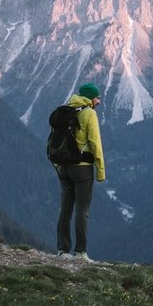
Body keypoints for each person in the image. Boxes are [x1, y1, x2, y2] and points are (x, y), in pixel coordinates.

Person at [53, 82, 105, 260]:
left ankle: (62, 250)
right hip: (82, 170)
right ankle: (81, 252)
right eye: (98, 97)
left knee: (65, 209)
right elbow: (95, 144)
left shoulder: (67, 110)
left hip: (63, 168)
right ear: (91, 98)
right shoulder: (89, 113)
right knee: (82, 210)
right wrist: (100, 171)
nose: (99, 101)